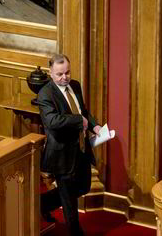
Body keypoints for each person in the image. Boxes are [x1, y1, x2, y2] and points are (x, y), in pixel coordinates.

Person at [37, 53, 102, 236]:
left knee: (84, 186)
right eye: (59, 74)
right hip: (61, 153)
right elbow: (52, 122)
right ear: (51, 73)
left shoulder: (75, 85)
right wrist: (78, 120)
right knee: (69, 201)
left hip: (80, 149)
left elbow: (83, 111)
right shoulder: (45, 94)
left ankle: (42, 204)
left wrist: (95, 126)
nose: (64, 77)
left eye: (67, 72)